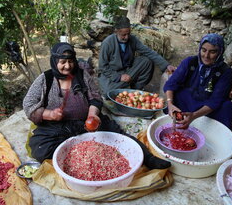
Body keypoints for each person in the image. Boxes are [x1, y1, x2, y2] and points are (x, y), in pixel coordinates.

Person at [23, 42, 171, 169]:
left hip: (86, 122)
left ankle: (148, 158)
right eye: (62, 62)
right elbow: (28, 103)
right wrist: (49, 114)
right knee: (40, 148)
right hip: (58, 126)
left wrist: (92, 115)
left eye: (70, 61)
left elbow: (94, 97)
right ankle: (79, 157)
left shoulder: (81, 74)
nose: (68, 66)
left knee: (118, 136)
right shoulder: (46, 79)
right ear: (55, 62)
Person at [163, 33, 232, 129]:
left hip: (208, 107)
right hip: (188, 100)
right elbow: (171, 84)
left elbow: (215, 100)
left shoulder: (225, 72)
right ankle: (180, 120)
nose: (206, 56)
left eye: (212, 52)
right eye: (204, 50)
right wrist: (170, 103)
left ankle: (212, 130)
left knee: (227, 107)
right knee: (177, 93)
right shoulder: (190, 62)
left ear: (220, 52)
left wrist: (194, 115)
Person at [98, 16, 176, 96]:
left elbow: (148, 52)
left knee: (147, 62)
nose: (127, 37)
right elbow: (102, 67)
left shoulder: (132, 39)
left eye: (128, 34)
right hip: (112, 73)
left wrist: (166, 65)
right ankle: (126, 87)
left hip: (127, 70)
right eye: (123, 35)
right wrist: (119, 77)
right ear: (116, 32)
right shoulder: (107, 43)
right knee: (108, 92)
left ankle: (135, 89)